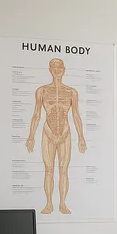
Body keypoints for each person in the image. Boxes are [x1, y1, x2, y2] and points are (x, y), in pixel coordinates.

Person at [26, 58, 86, 214]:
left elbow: (76, 116)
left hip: (65, 132)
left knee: (64, 170)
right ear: (49, 69)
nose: (57, 69)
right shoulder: (42, 91)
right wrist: (31, 136)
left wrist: (81, 137)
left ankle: (62, 204)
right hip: (48, 132)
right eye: (53, 66)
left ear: (64, 69)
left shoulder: (71, 92)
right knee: (48, 170)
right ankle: (48, 204)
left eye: (59, 67)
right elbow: (36, 115)